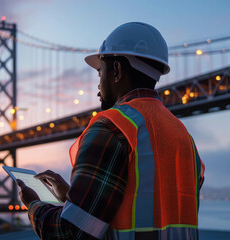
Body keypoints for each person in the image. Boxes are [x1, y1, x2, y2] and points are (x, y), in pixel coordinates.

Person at [17, 22, 205, 240]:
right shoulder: (184, 137)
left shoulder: (112, 128)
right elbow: (149, 204)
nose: (98, 87)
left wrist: (33, 205)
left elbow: (69, 234)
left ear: (116, 71)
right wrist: (72, 197)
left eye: (100, 73)